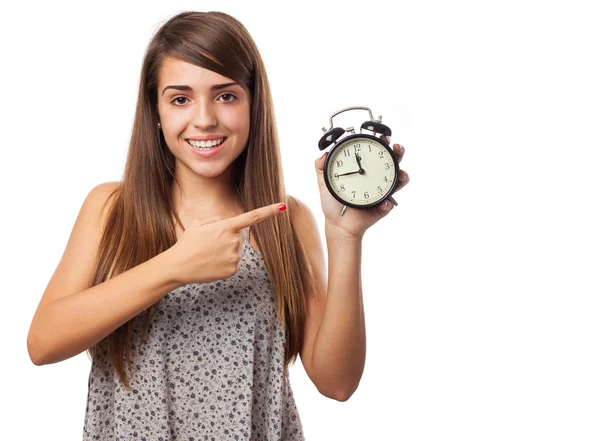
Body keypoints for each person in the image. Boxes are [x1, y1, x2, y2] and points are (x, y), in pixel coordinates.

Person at [26, 10, 409, 441]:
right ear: (154, 109)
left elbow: (337, 383)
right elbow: (43, 343)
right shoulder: (112, 208)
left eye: (226, 96)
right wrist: (174, 266)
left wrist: (344, 236)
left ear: (253, 104)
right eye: (180, 98)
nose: (205, 119)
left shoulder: (285, 220)